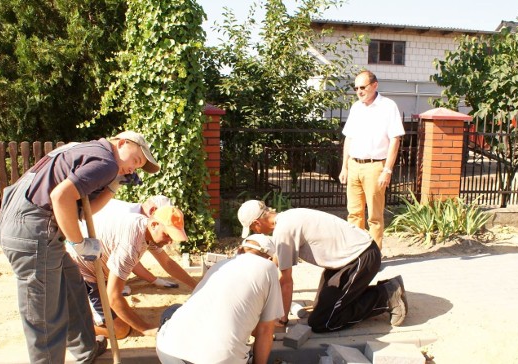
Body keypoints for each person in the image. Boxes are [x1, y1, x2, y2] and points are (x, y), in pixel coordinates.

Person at [0, 130, 159, 363]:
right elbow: (60, 197)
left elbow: (84, 210)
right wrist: (79, 244)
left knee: (72, 286)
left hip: (28, 223)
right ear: (122, 142)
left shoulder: (87, 151)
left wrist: (112, 186)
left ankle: (86, 350)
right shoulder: (106, 162)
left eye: (139, 166)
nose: (134, 168)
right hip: (32, 230)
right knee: (45, 313)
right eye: (136, 160)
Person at [238, 200, 407, 333]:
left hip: (360, 258)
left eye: (253, 229)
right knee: (320, 310)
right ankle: (362, 294)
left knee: (323, 322)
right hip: (346, 260)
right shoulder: (288, 217)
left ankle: (386, 296)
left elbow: (286, 282)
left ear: (256, 223)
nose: (257, 233)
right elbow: (277, 259)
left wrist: (282, 319)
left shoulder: (283, 230)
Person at [68, 205, 197, 339]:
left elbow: (167, 263)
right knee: (120, 330)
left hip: (100, 266)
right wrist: (146, 329)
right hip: (85, 274)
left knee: (124, 311)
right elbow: (113, 297)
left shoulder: (146, 228)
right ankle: (73, 327)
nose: (170, 241)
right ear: (154, 225)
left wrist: (197, 286)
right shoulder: (131, 246)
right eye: (167, 235)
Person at [156, 234, 283, 364]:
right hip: (221, 360)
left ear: (239, 250)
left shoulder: (221, 264)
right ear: (269, 258)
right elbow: (266, 330)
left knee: (174, 309)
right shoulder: (269, 267)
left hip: (169, 352)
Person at [339, 70, 405, 250]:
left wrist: (387, 170)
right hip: (354, 165)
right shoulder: (356, 108)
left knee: (374, 216)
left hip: (375, 167)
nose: (359, 91)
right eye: (356, 88)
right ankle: (356, 253)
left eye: (363, 87)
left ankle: (374, 256)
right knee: (353, 214)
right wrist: (344, 166)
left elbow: (395, 139)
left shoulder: (388, 106)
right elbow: (349, 138)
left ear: (374, 85)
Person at [99, 196, 182, 293]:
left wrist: (196, 286)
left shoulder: (145, 224)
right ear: (153, 211)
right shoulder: (131, 223)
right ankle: (108, 283)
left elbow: (166, 261)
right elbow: (129, 258)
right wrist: (155, 280)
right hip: (90, 255)